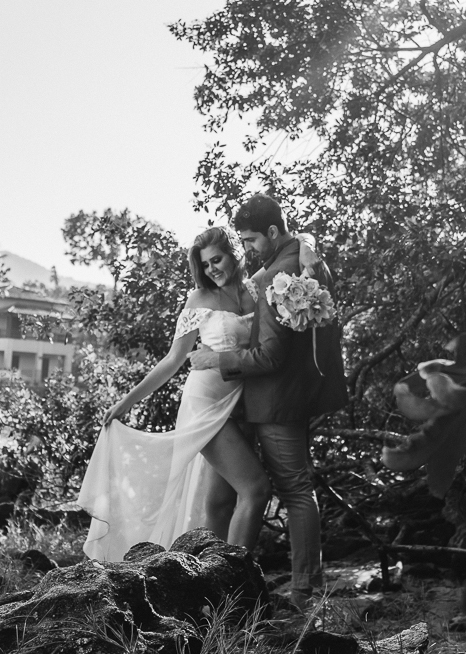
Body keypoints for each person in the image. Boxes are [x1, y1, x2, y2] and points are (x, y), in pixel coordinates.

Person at [76, 226, 272, 561]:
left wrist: (308, 247)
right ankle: (236, 581)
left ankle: (206, 585)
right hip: (204, 405)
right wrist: (126, 402)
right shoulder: (199, 299)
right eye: (205, 264)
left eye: (217, 259)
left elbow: (294, 250)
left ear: (234, 254)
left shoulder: (255, 289)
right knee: (255, 489)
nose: (211, 269)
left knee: (219, 504)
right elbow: (172, 360)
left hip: (242, 403)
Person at [190, 194, 348, 607]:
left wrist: (215, 359)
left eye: (251, 241)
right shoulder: (309, 258)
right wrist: (308, 239)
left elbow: (270, 355)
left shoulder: (275, 279)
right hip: (286, 397)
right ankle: (223, 582)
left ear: (274, 233)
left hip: (275, 401)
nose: (247, 250)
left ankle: (300, 591)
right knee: (228, 497)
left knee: (294, 490)